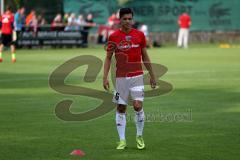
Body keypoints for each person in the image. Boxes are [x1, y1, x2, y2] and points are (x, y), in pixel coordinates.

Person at [103, 8, 156, 150]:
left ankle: (139, 136)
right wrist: (105, 77)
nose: (127, 21)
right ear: (119, 19)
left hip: (137, 77)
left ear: (132, 19)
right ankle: (122, 140)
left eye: (129, 19)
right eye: (125, 19)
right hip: (120, 79)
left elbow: (145, 56)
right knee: (121, 108)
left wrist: (152, 75)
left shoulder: (139, 35)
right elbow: (108, 58)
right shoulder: (113, 36)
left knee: (138, 106)